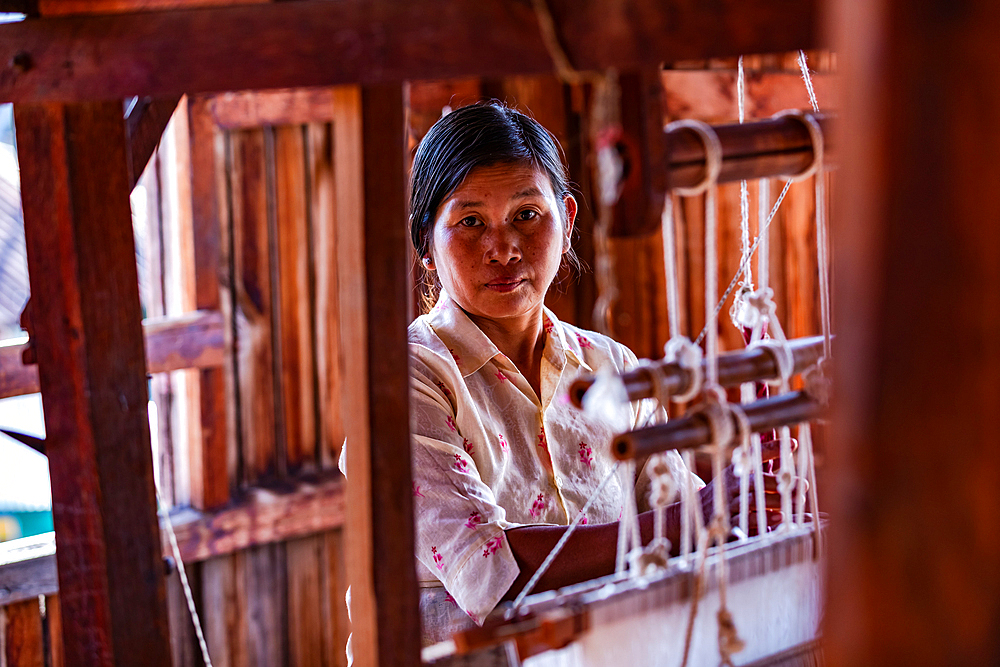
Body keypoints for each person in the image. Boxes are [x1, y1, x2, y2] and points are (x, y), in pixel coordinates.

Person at [406, 103, 781, 644]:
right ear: (425, 244)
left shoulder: (612, 368)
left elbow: (685, 516)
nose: (504, 247)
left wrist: (756, 500)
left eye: (527, 215)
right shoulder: (410, 378)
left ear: (568, 218)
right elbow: (489, 572)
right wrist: (691, 521)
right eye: (470, 222)